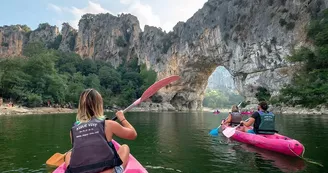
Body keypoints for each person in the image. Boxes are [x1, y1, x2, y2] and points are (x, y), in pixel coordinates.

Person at [64, 89, 137, 173]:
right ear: (99, 105)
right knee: (125, 147)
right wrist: (122, 118)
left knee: (69, 154)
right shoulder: (108, 124)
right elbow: (133, 134)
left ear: (81, 107)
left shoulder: (73, 131)